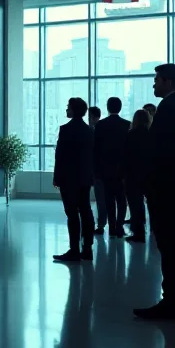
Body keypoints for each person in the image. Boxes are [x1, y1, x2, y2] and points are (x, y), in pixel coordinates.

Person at [133, 63, 175, 321]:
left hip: (167, 189)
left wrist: (150, 185)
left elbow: (160, 153)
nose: (154, 84)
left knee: (171, 245)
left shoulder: (169, 109)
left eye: (156, 80)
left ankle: (172, 302)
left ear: (168, 82)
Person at [52, 97, 96, 262]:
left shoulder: (65, 129)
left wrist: (57, 177)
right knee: (85, 211)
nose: (66, 109)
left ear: (73, 110)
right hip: (84, 177)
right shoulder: (90, 131)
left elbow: (60, 156)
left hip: (68, 178)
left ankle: (74, 249)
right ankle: (87, 248)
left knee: (72, 213)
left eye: (68, 107)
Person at [93, 97, 130, 238]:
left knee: (108, 199)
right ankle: (120, 225)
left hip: (105, 170)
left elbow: (95, 149)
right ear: (120, 108)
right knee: (121, 200)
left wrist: (96, 169)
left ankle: (112, 226)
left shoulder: (101, 125)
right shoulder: (127, 125)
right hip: (122, 170)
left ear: (108, 108)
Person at [123, 109, 151, 243]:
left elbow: (126, 156)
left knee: (135, 204)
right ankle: (152, 229)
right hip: (148, 173)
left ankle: (138, 232)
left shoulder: (131, 134)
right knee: (149, 202)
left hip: (133, 174)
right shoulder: (151, 134)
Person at [87, 106, 107, 235]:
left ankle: (100, 224)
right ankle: (103, 223)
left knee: (101, 198)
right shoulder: (103, 129)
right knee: (103, 198)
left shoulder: (93, 131)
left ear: (93, 117)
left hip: (96, 170)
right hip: (102, 169)